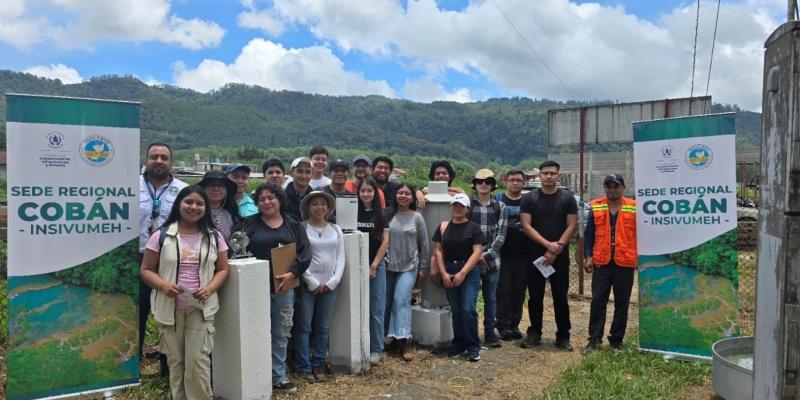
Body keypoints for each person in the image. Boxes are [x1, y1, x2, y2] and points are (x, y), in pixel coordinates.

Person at [140, 186, 230, 400]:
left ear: (205, 208)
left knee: (197, 362)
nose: (194, 207)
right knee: (176, 362)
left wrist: (209, 288)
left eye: (200, 203)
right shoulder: (161, 235)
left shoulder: (214, 237)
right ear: (178, 204)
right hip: (169, 309)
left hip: (201, 309)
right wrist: (162, 286)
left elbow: (223, 269)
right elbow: (146, 270)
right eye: (188, 202)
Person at [239, 182, 311, 394]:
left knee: (281, 331)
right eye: (262, 199)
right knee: (254, 332)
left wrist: (293, 273)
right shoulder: (247, 225)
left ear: (279, 200)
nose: (267, 202)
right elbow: (237, 251)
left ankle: (278, 375)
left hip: (284, 287)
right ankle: (255, 374)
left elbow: (305, 252)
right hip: (254, 290)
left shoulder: (293, 224)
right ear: (257, 202)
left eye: (271, 197)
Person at [139, 142, 188, 374]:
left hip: (171, 261)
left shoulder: (183, 190)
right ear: (146, 160)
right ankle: (131, 366)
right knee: (136, 312)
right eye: (154, 156)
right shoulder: (130, 186)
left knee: (171, 314)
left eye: (164, 157)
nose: (159, 161)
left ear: (171, 162)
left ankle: (168, 368)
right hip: (137, 258)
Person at [519, 160, 578, 351]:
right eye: (545, 173)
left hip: (559, 255)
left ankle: (563, 336)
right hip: (535, 254)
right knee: (535, 296)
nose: (549, 176)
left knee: (560, 296)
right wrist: (547, 245)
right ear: (539, 175)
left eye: (553, 173)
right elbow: (526, 226)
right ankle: (534, 333)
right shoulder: (529, 198)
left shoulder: (567, 198)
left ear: (558, 175)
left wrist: (557, 247)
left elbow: (572, 225)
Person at [583, 174, 637, 352]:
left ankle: (616, 340)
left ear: (623, 187)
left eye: (616, 186)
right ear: (605, 188)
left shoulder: (634, 207)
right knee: (598, 301)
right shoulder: (596, 206)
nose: (612, 190)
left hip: (625, 262)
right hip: (602, 262)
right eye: (609, 186)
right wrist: (588, 256)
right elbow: (589, 234)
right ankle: (594, 340)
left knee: (622, 303)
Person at [295, 191, 345, 383]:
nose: (319, 207)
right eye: (314, 204)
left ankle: (319, 363)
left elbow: (341, 258)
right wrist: (312, 282)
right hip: (309, 284)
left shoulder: (336, 229)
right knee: (304, 326)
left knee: (323, 327)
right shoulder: (301, 228)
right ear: (308, 207)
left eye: (323, 204)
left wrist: (333, 281)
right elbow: (298, 257)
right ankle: (303, 365)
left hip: (330, 286)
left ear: (329, 207)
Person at [433, 193, 485, 362]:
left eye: (461, 206)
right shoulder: (443, 227)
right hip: (448, 268)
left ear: (467, 209)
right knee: (456, 311)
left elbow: (477, 252)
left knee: (468, 309)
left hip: (469, 270)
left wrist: (463, 272)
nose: (457, 208)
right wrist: (443, 273)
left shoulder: (474, 228)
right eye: (455, 205)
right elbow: (438, 251)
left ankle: (473, 346)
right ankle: (458, 343)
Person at [385, 183, 429, 361]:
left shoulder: (417, 217)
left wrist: (423, 269)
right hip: (388, 266)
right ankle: (393, 338)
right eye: (400, 193)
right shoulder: (387, 214)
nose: (403, 196)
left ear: (412, 197)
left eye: (407, 193)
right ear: (395, 195)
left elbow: (424, 244)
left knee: (400, 299)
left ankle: (406, 340)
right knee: (387, 302)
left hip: (409, 266)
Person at [468, 169, 507, 348]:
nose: (484, 184)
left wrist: (486, 254)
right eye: (480, 181)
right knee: (471, 298)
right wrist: (476, 256)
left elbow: (501, 234)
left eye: (488, 181)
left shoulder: (500, 207)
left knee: (491, 298)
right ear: (475, 184)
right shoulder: (467, 205)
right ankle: (472, 333)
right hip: (471, 261)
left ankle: (490, 333)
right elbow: (463, 231)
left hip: (492, 261)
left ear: (492, 186)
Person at [356, 178, 390, 363]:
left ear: (375, 193)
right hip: (356, 267)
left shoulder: (381, 215)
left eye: (370, 190)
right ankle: (359, 344)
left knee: (376, 308)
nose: (366, 194)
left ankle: (377, 347)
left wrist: (374, 266)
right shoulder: (353, 213)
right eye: (363, 191)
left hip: (376, 266)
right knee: (357, 307)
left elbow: (385, 242)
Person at [495, 169, 529, 340]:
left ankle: (515, 324)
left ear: (524, 183)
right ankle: (502, 324)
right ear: (505, 181)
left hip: (523, 255)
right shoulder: (498, 200)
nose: (515, 183)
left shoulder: (529, 201)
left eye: (519, 180)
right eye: (512, 180)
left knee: (519, 291)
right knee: (503, 291)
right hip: (502, 255)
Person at [198, 170, 240, 241]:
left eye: (220, 185)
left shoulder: (231, 215)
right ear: (203, 189)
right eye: (211, 185)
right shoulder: (196, 212)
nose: (216, 189)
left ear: (227, 190)